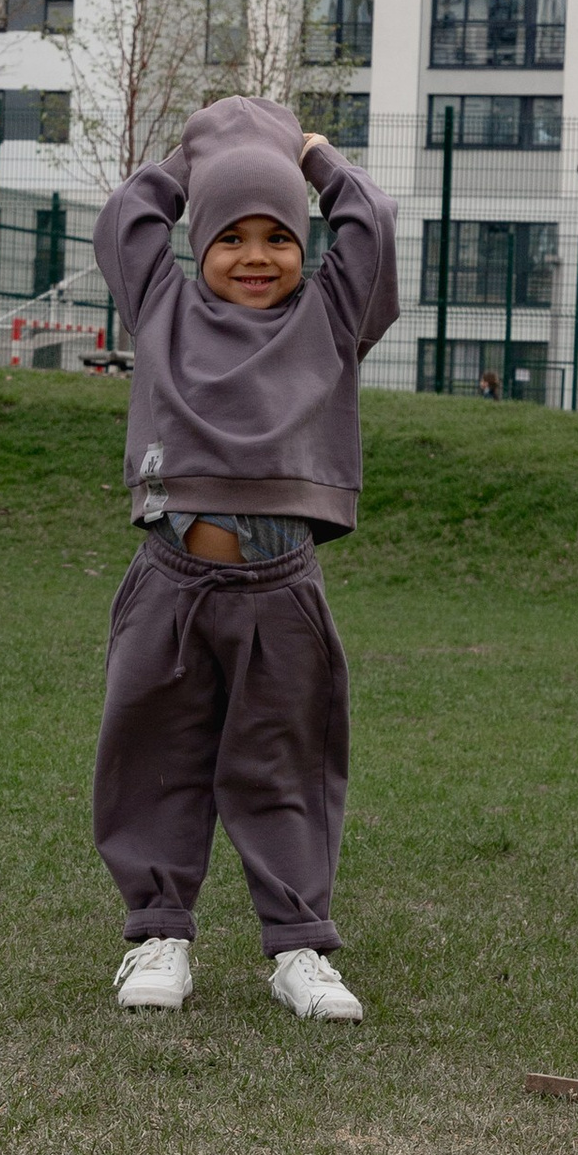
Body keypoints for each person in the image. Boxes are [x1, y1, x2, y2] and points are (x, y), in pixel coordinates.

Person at [91, 95, 399, 1019]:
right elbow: (125, 220)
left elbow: (373, 225)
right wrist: (194, 159)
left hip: (282, 591)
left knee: (286, 764)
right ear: (197, 242)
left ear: (306, 248)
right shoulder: (161, 306)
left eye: (278, 237)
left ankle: (300, 947)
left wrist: (313, 158)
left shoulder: (331, 318)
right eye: (230, 236)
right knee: (152, 756)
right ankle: (158, 937)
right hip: (169, 583)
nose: (255, 256)